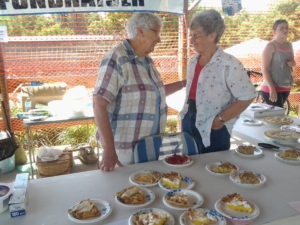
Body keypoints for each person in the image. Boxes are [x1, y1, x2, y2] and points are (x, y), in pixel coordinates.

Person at [93, 12, 184, 171]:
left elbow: (156, 92)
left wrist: (184, 83)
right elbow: (98, 103)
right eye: (156, 32)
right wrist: (109, 149)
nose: (159, 39)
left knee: (145, 191)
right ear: (141, 31)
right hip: (125, 149)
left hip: (150, 144)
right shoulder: (117, 58)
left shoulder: (146, 61)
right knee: (126, 192)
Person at [180, 9, 256, 154]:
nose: (191, 40)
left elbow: (247, 96)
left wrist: (219, 120)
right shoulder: (192, 61)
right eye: (191, 35)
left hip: (213, 124)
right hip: (189, 119)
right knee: (188, 165)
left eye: (196, 36)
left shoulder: (229, 64)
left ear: (212, 36)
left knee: (214, 169)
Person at [261, 19, 296, 108]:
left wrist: (293, 63)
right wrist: (272, 89)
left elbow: (292, 62)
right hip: (272, 88)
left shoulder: (289, 45)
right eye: (281, 28)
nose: (285, 30)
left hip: (286, 87)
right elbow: (264, 69)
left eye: (286, 28)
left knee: (277, 118)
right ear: (274, 32)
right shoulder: (270, 46)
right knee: (277, 118)